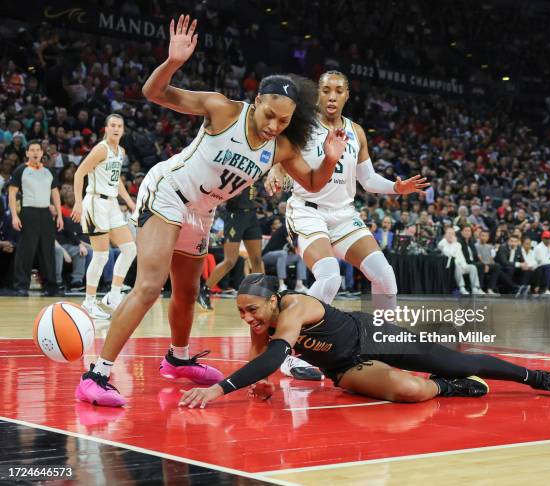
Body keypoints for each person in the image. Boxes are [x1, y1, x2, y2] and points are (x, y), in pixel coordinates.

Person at [75, 14, 349, 407]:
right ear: (257, 103)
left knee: (187, 291)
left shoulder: (281, 146)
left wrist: (329, 159)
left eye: (284, 120)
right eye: (269, 114)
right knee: (151, 285)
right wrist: (172, 62)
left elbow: (314, 184)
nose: (274, 125)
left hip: (202, 212)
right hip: (168, 191)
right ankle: (95, 375)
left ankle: (178, 359)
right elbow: (155, 93)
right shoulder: (223, 109)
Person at [178, 274, 550, 408]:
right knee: (409, 390)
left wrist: (220, 388)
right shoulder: (261, 322)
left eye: (252, 310)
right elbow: (261, 358)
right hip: (344, 366)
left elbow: (273, 356)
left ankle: (536, 378)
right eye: (241, 314)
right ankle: (448, 389)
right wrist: (262, 383)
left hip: (372, 335)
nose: (248, 318)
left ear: (272, 300)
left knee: (457, 361)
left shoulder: (295, 307)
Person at [266, 71, 428, 311]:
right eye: (326, 90)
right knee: (330, 277)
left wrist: (395, 187)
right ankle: (297, 335)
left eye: (338, 91)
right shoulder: (302, 126)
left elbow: (369, 179)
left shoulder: (357, 131)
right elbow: (281, 154)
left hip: (343, 215)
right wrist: (275, 171)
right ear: (317, 94)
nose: (332, 97)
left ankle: (380, 341)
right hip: (308, 213)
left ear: (347, 96)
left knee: (386, 277)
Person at [71, 114, 137, 319]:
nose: (116, 129)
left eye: (120, 125)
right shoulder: (101, 149)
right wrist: (78, 202)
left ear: (123, 130)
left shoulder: (121, 152)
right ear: (106, 129)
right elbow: (79, 173)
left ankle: (113, 295)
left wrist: (129, 201)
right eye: (113, 125)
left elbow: (116, 181)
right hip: (95, 202)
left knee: (130, 249)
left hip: (112, 204)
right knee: (101, 256)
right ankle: (89, 302)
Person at [8, 140, 63, 296]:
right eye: (32, 150)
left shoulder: (49, 171)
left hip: (46, 213)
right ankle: (21, 285)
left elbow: (55, 194)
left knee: (48, 250)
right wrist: (14, 216)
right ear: (27, 153)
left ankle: (51, 287)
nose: (35, 153)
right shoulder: (21, 170)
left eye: (38, 150)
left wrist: (59, 215)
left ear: (41, 153)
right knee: (26, 250)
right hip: (28, 212)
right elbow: (12, 194)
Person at [197, 186, 263, 309]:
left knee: (257, 259)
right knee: (230, 261)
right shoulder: (234, 172)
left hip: (252, 216)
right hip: (235, 216)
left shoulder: (258, 171)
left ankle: (261, 293)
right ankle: (204, 290)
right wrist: (229, 194)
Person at [437, 228, 484, 295]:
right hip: (451, 267)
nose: (451, 236)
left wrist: (465, 266)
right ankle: (461, 287)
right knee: (457, 266)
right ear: (445, 235)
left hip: (462, 265)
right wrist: (453, 243)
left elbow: (461, 257)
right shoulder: (441, 244)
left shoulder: (458, 244)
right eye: (449, 234)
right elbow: (450, 254)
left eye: (453, 234)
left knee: (472, 267)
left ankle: (475, 288)